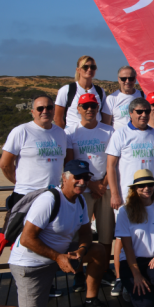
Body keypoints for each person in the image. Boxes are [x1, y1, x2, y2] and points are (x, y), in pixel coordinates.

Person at [0, 161, 115, 307]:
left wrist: (82, 250)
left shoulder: (80, 201)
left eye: (86, 177)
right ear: (64, 177)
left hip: (58, 257)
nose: (82, 182)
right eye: (77, 177)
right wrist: (58, 257)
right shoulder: (49, 200)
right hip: (30, 264)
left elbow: (85, 233)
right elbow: (27, 239)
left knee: (97, 250)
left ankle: (91, 304)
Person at [106, 97, 154, 297]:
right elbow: (111, 166)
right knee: (122, 238)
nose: (143, 115)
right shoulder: (120, 134)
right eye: (139, 111)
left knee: (146, 233)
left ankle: (146, 274)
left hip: (150, 194)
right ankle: (120, 278)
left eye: (146, 111)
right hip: (126, 196)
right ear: (131, 113)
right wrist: (114, 193)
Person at [64, 93, 115, 287]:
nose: (89, 109)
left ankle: (103, 269)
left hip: (106, 187)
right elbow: (70, 163)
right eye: (85, 106)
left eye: (93, 106)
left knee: (106, 232)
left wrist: (102, 185)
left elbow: (113, 161)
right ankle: (78, 272)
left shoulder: (109, 131)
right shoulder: (71, 132)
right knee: (80, 232)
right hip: (82, 189)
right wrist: (91, 184)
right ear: (78, 109)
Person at [114, 169, 154, 307]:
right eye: (141, 185)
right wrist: (136, 274)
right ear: (134, 189)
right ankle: (129, 287)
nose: (147, 188)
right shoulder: (124, 211)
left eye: (150, 184)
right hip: (131, 262)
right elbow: (127, 247)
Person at [0, 94, 67, 214]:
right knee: (24, 232)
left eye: (49, 107)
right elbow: (5, 164)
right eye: (40, 108)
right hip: (26, 195)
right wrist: (20, 182)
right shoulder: (21, 131)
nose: (45, 111)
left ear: (54, 110)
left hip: (53, 195)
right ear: (33, 112)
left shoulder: (61, 133)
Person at [54, 55, 110, 128]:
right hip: (73, 134)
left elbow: (103, 116)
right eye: (85, 67)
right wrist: (62, 136)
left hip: (95, 133)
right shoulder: (67, 90)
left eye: (92, 67)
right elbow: (58, 118)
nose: (89, 69)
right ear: (78, 70)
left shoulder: (100, 91)